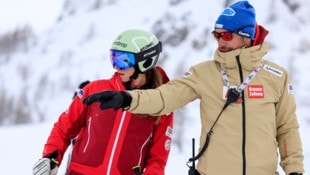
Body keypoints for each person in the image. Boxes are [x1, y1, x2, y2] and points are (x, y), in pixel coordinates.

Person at [82, 1, 304, 175]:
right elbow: (165, 96)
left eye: (226, 35)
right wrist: (128, 99)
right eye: (216, 35)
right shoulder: (203, 73)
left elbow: (287, 128)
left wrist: (294, 170)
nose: (220, 41)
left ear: (246, 37)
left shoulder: (276, 76)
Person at [32, 29, 174, 175]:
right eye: (113, 58)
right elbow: (64, 128)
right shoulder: (94, 90)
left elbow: (157, 160)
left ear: (145, 61)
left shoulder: (160, 105)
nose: (116, 66)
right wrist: (51, 157)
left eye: (123, 60)